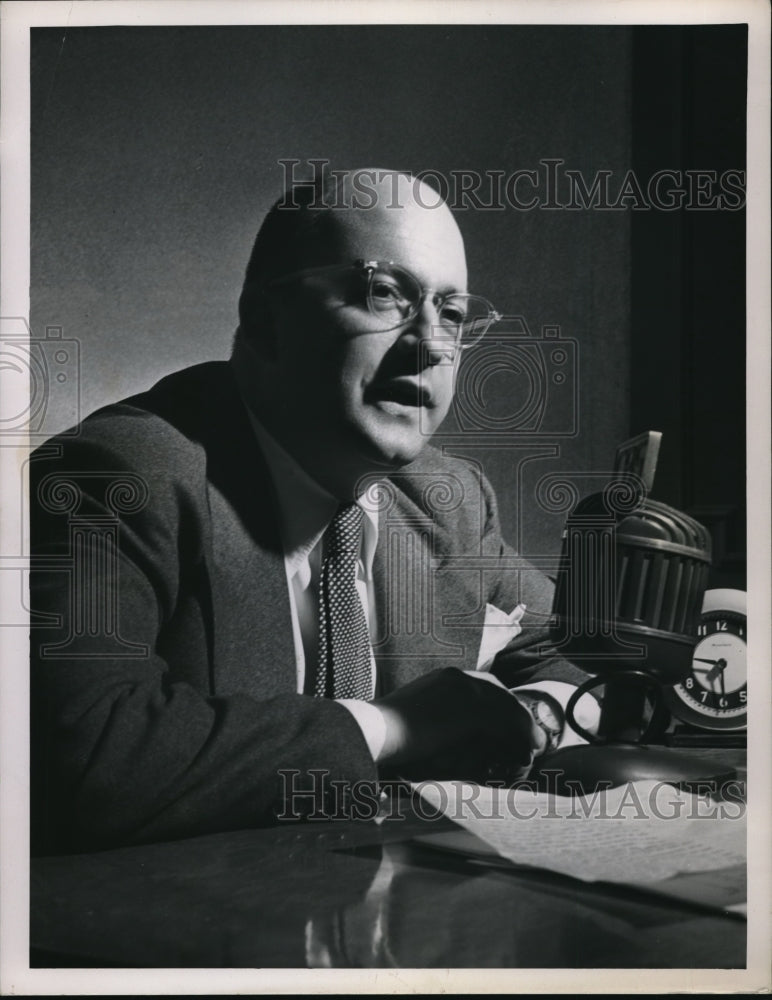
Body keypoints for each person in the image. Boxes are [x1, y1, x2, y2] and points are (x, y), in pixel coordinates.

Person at [30, 169, 592, 853]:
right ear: (265, 321)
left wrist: (537, 714)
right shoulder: (120, 476)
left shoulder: (448, 499)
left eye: (451, 312)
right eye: (385, 294)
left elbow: (584, 658)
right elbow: (88, 756)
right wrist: (396, 727)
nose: (431, 345)